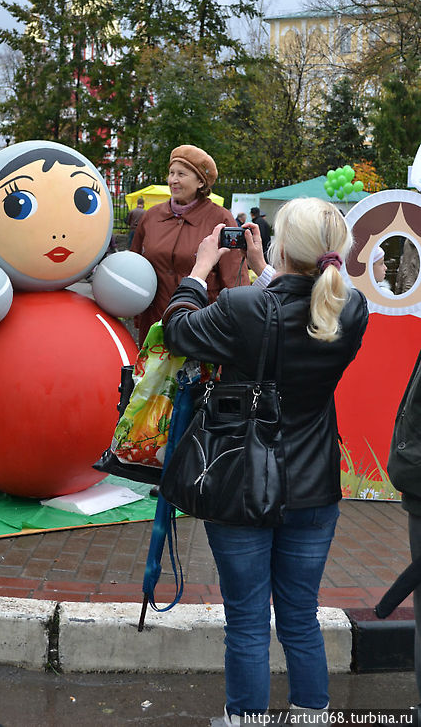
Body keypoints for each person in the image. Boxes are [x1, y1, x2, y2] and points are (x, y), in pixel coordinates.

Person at [162, 198, 369, 719]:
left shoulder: (240, 308)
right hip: (314, 488)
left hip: (243, 484)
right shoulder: (352, 310)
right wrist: (264, 269)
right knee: (300, 617)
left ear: (282, 246)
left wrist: (201, 269)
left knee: (248, 623)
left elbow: (178, 329)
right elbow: (305, 307)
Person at [131, 144, 249, 347]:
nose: (173, 180)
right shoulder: (151, 217)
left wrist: (240, 325)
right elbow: (134, 266)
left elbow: (234, 278)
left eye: (182, 174)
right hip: (154, 324)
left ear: (201, 183)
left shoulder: (221, 219)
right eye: (171, 173)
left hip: (201, 326)